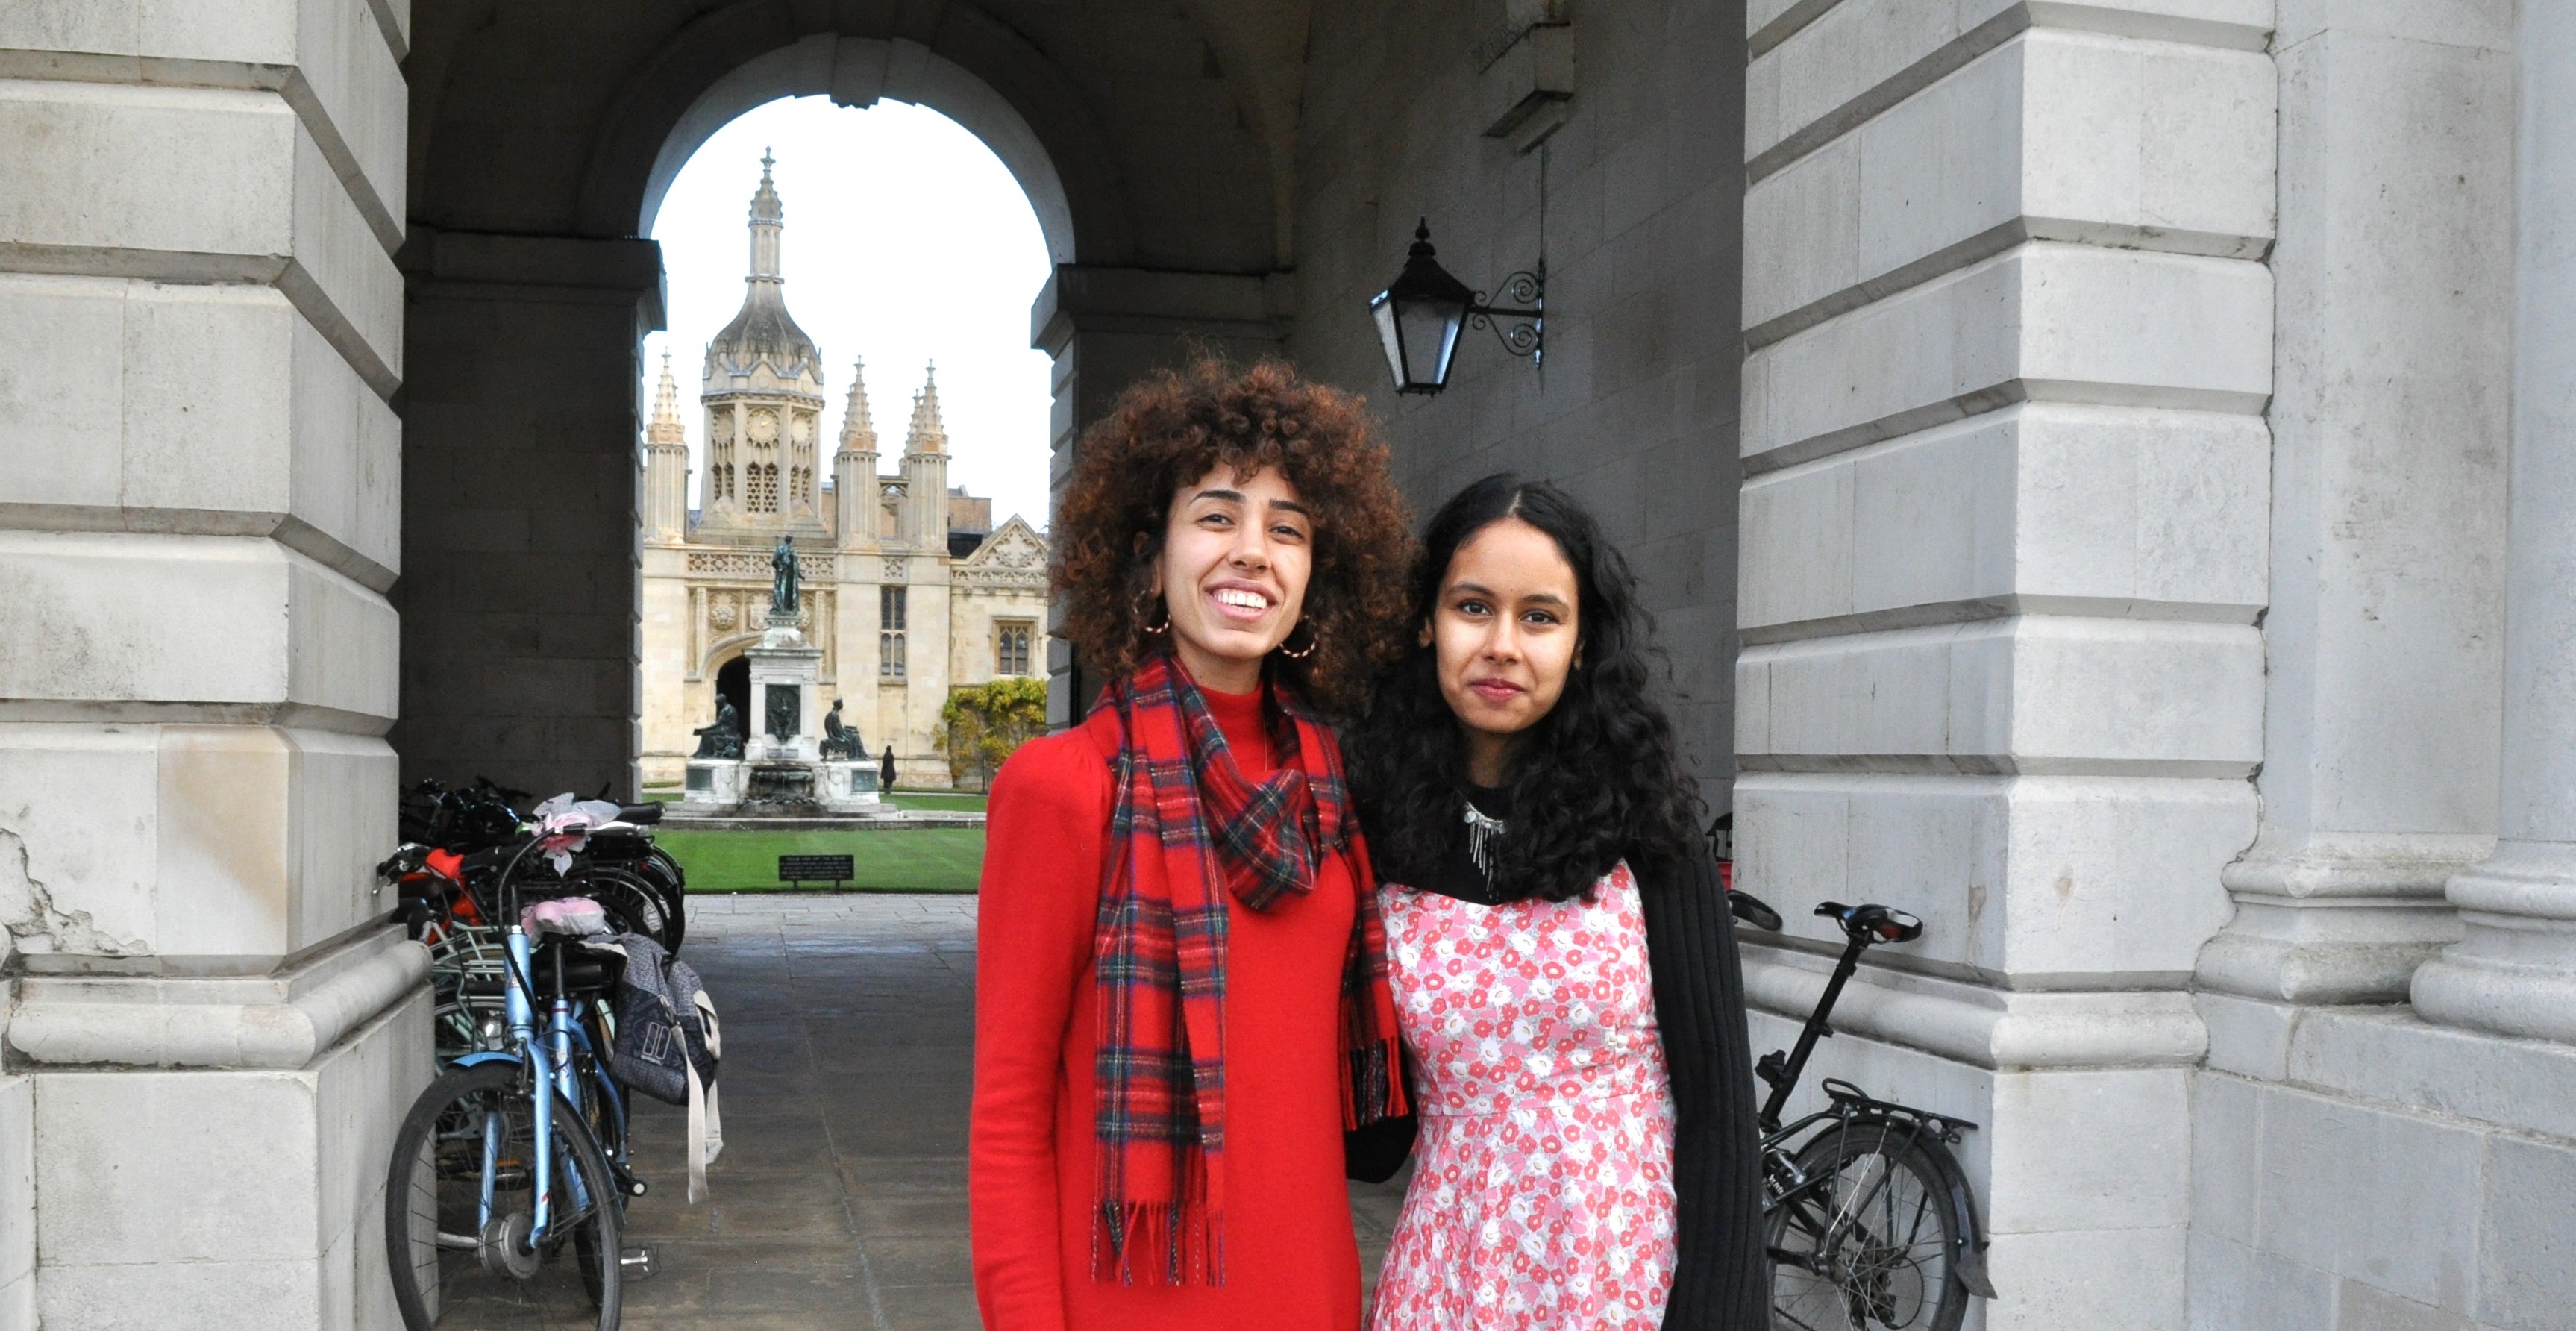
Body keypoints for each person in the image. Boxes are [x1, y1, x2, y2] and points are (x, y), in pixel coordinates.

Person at [971, 360, 1417, 1331]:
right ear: (1150, 553)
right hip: (1127, 1303)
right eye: (1216, 515)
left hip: (1314, 1295)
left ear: (1316, 573)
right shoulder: (1062, 787)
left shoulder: (1336, 789)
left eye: (1287, 529)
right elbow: (1007, 1113)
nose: (1253, 550)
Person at [1347, 475, 1766, 1330]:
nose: (1503, 643)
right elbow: (1372, 1137)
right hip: (1450, 1279)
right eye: (1473, 607)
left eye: (1539, 616)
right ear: (1426, 621)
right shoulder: (1378, 833)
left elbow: (1721, 1108)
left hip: (1625, 1279)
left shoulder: (1648, 831)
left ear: (1581, 643)